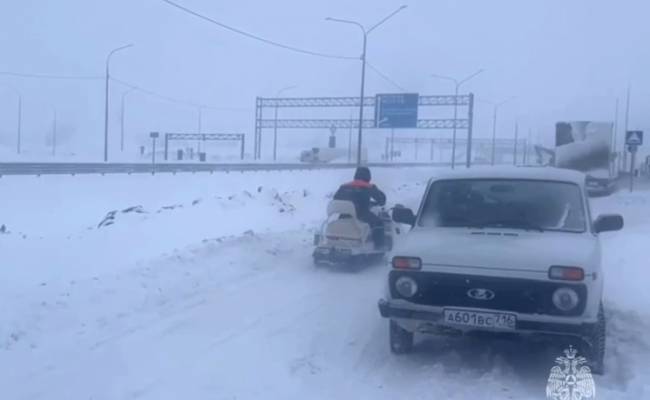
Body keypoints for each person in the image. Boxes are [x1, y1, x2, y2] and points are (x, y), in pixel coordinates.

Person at [333, 166, 387, 248]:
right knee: (378, 223)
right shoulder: (369, 187)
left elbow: (336, 198)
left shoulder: (344, 186)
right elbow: (382, 200)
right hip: (362, 214)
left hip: (344, 215)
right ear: (368, 176)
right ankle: (379, 246)